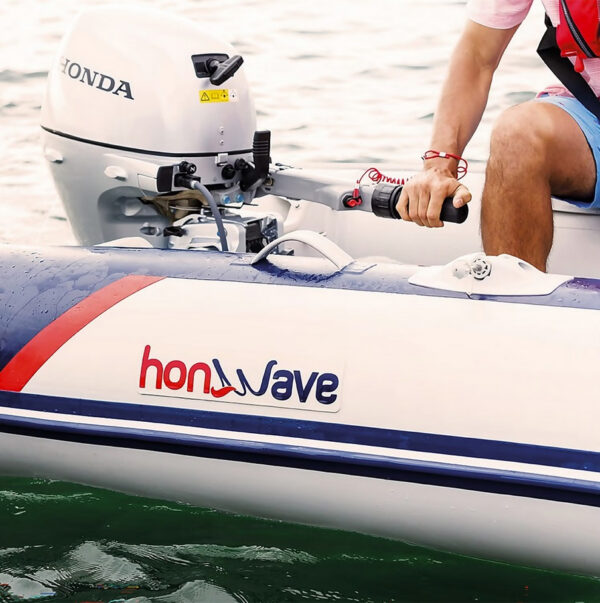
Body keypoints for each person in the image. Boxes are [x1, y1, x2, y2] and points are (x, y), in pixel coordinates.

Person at [396, 0, 600, 272]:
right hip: (589, 111)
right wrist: (439, 165)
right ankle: (515, 294)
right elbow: (477, 55)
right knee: (516, 133)